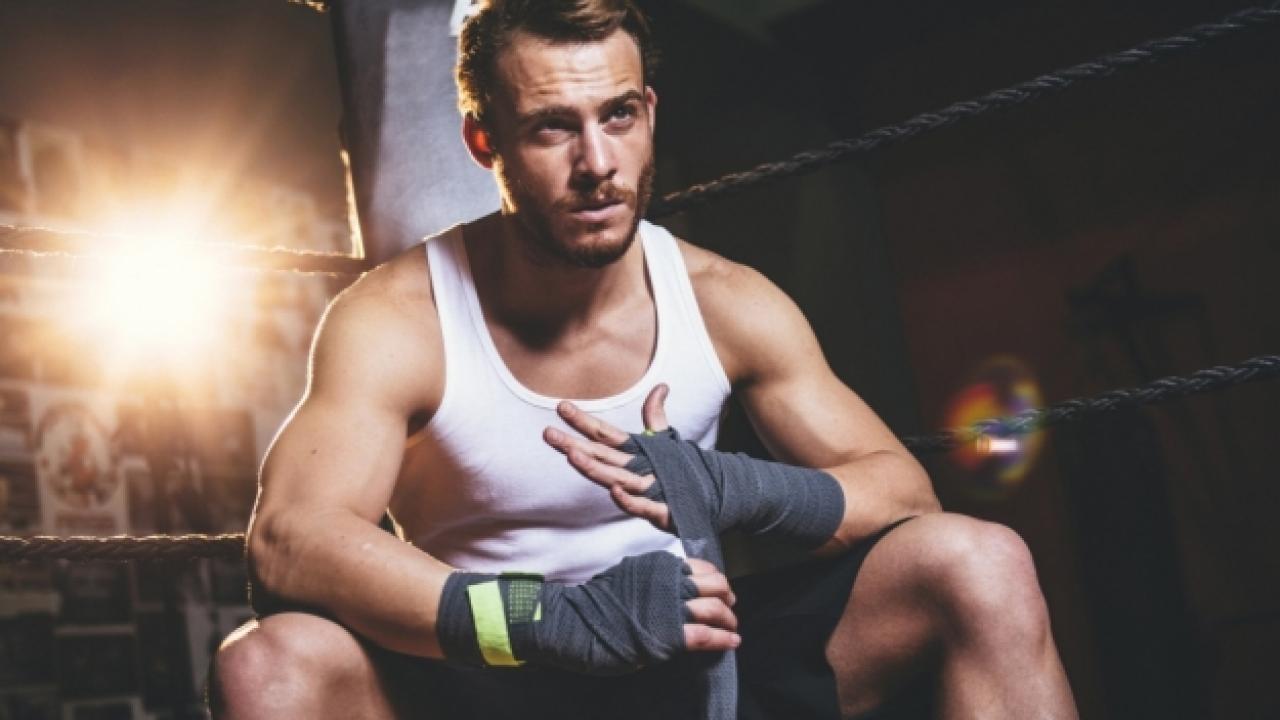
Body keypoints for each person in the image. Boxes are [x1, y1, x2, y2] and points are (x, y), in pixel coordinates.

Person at [210, 1, 1078, 717]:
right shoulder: (402, 317)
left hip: (694, 668)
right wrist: (550, 618)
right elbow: (289, 543)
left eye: (617, 115)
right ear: (485, 142)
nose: (597, 164)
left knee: (980, 562)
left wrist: (739, 489)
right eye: (553, 128)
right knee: (269, 665)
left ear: (650, 113)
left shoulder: (725, 300)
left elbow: (904, 493)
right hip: (490, 678)